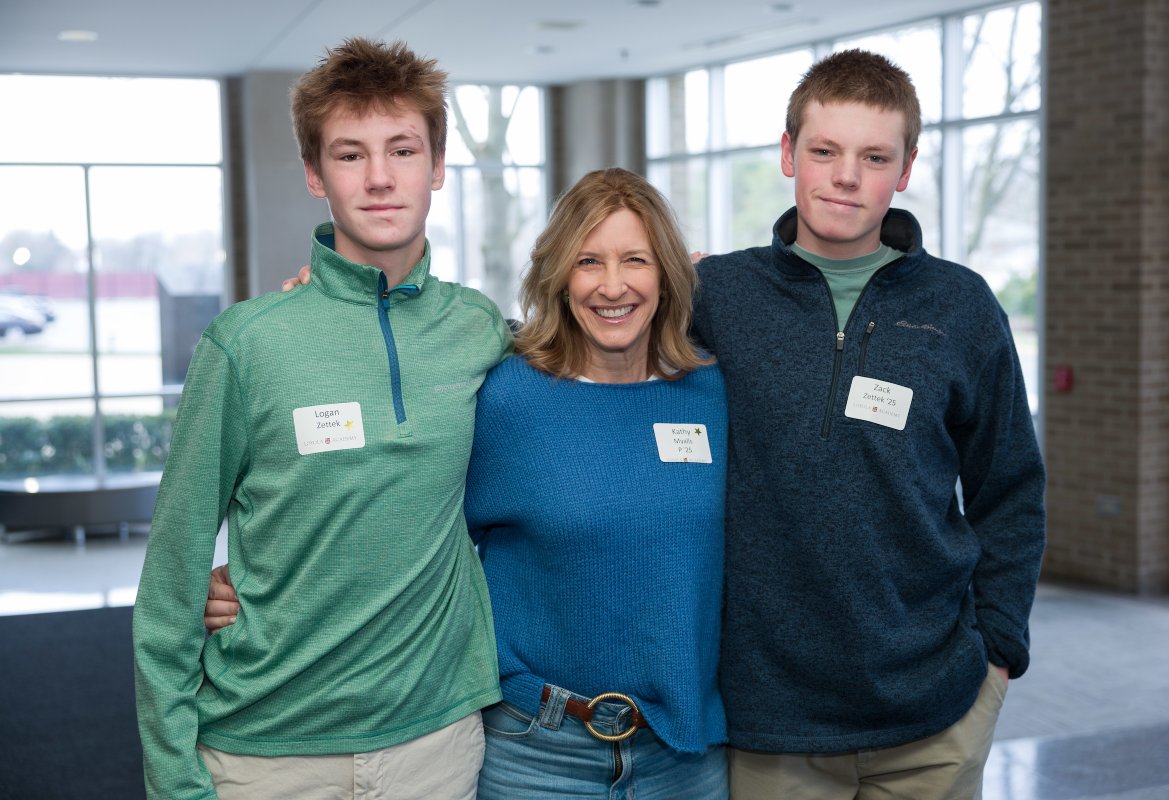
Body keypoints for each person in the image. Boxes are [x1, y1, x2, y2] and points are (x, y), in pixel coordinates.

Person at [207, 167, 731, 798]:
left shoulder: (712, 393)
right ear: (560, 277)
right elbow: (402, 503)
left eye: (636, 260)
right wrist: (266, 588)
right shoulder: (507, 393)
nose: (613, 284)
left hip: (685, 752)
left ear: (667, 273)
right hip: (535, 748)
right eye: (589, 261)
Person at [133, 38, 511, 800]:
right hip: (266, 753)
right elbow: (172, 575)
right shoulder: (247, 344)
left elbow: (598, 358)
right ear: (315, 174)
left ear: (437, 166)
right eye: (349, 155)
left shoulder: (482, 330)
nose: (379, 178)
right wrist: (174, 778)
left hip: (435, 743)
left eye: (403, 150)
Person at [690, 49, 1046, 799]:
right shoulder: (717, 295)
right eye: (824, 151)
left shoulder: (962, 308)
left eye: (874, 156)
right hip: (771, 721)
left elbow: (1008, 487)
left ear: (905, 168)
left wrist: (999, 652)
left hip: (935, 713)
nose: (846, 176)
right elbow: (593, 340)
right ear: (789, 154)